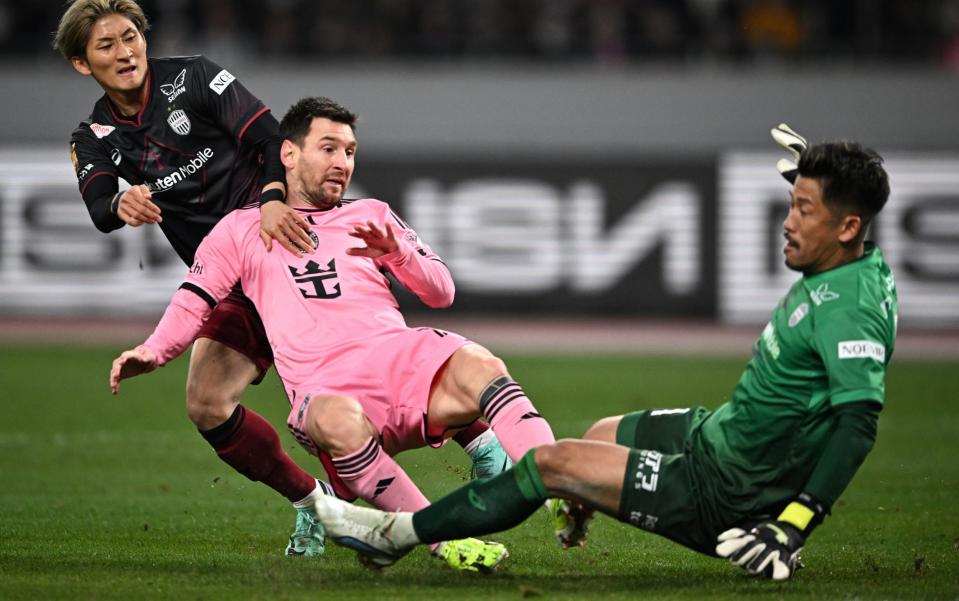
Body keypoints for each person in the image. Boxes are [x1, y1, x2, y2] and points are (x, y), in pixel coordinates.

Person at [310, 128, 897, 582]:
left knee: (551, 465)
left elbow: (858, 423)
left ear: (847, 226)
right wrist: (816, 173)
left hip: (723, 487)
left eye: (805, 210)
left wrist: (793, 524)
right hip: (718, 434)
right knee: (601, 433)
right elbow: (839, 225)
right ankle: (584, 499)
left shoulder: (848, 306)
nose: (788, 224)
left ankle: (398, 534)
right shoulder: (850, 262)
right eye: (791, 203)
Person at [54, 0, 508, 560]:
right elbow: (100, 207)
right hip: (234, 273)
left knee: (361, 364)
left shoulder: (193, 77)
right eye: (107, 46)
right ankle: (315, 504)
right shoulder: (95, 134)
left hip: (293, 242)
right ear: (82, 64)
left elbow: (272, 138)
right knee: (206, 404)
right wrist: (124, 199)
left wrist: (271, 199)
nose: (125, 52)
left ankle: (478, 440)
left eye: (131, 37)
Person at [108, 96, 554, 572]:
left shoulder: (372, 213)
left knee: (483, 365)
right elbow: (193, 299)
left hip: (401, 360)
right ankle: (442, 539)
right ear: (289, 154)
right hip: (327, 388)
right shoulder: (240, 230)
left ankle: (557, 484)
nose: (342, 162)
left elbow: (441, 291)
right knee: (335, 421)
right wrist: (154, 350)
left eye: (350, 151)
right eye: (328, 148)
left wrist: (399, 252)